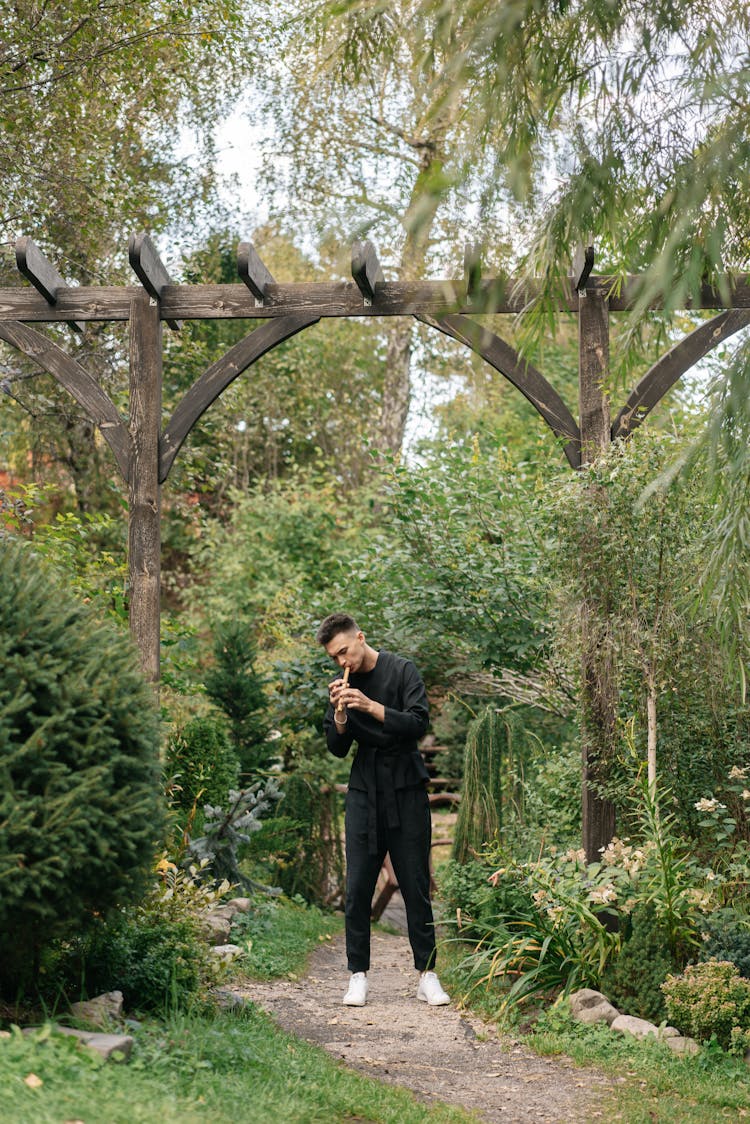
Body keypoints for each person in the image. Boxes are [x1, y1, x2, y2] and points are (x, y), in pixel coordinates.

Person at [317, 612, 450, 1007]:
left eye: (344, 652)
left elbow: (417, 724)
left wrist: (370, 706)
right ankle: (357, 975)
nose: (342, 663)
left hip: (406, 788)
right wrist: (340, 716)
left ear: (360, 637)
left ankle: (427, 974)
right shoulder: (343, 684)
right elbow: (337, 748)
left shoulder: (403, 670)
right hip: (364, 790)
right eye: (334, 658)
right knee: (357, 889)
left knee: (415, 884)